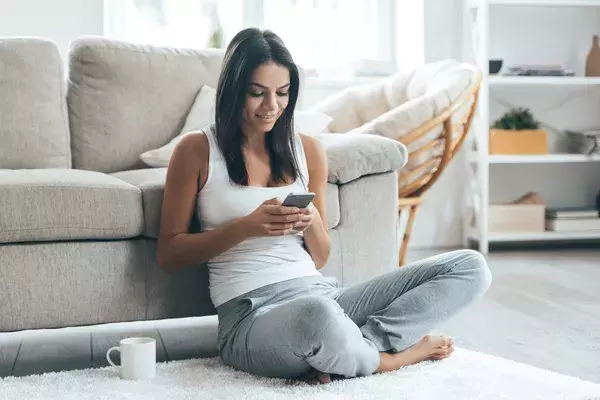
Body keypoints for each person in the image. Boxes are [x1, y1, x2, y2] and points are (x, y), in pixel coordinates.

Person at [157, 27, 492, 384]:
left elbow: (319, 258)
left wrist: (311, 219)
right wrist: (246, 227)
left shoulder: (308, 151)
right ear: (233, 90)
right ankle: (390, 359)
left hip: (324, 295)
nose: (272, 106)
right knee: (316, 318)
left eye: (282, 93)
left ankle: (359, 347)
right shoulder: (196, 150)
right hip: (249, 316)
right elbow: (170, 253)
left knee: (470, 267)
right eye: (257, 93)